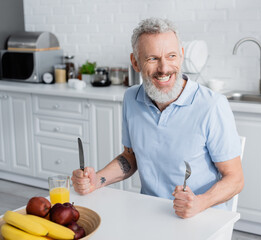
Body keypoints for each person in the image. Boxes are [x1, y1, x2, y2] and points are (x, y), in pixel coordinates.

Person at [72, 18, 244, 219]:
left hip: (202, 216)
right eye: (152, 58)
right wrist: (96, 180)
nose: (164, 68)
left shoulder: (212, 105)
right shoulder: (131, 98)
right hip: (149, 211)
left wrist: (199, 202)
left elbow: (235, 178)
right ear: (135, 62)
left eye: (171, 56)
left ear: (181, 55)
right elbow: (131, 157)